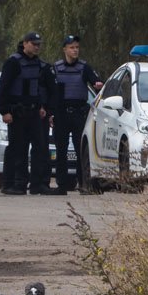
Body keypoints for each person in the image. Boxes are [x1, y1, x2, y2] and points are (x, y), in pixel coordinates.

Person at [0, 31, 56, 195]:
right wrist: (5, 110)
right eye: (34, 44)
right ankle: (12, 184)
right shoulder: (13, 63)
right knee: (17, 149)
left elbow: (40, 89)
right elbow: (3, 88)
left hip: (34, 112)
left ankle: (36, 184)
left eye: (39, 45)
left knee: (40, 148)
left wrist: (43, 107)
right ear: (25, 43)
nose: (37, 47)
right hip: (17, 112)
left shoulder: (40, 65)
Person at [51, 34, 104, 194]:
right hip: (61, 114)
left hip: (79, 113)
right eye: (72, 47)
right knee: (61, 150)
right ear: (65, 49)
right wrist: (51, 113)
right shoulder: (56, 68)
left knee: (81, 150)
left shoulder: (84, 67)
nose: (75, 50)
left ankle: (83, 184)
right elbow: (51, 92)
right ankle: (62, 185)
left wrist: (97, 85)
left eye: (77, 47)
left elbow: (96, 82)